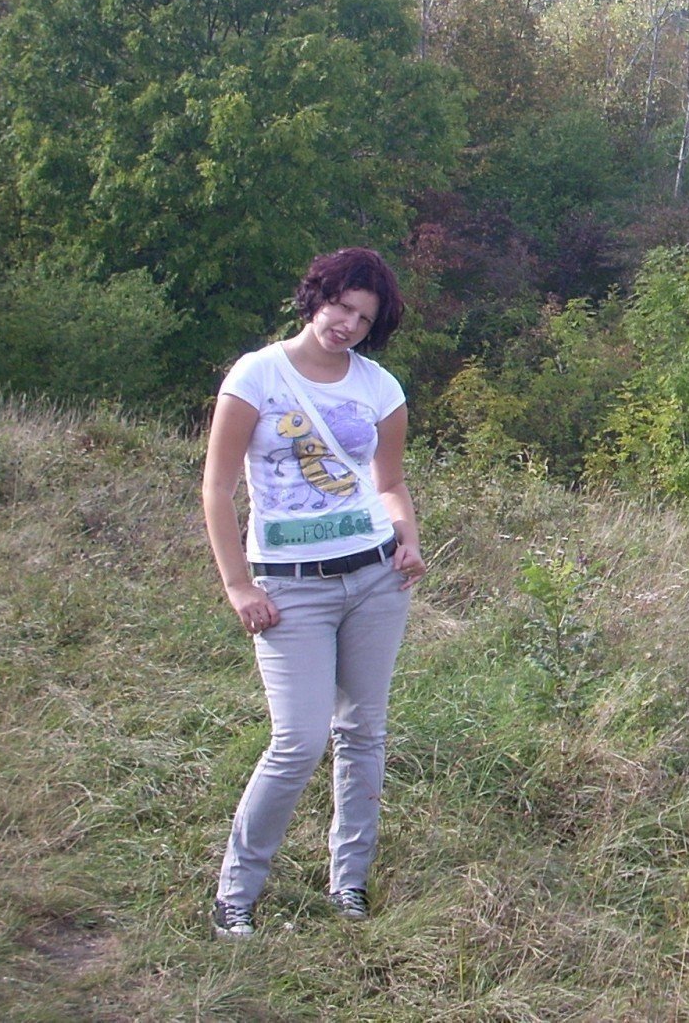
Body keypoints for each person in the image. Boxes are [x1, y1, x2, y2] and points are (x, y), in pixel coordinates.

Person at [201, 247, 426, 939]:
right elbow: (217, 488)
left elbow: (387, 483)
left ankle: (348, 883)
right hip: (288, 588)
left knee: (363, 732)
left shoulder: (380, 388)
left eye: (365, 317)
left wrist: (408, 539)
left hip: (374, 578)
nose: (348, 324)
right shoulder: (256, 375)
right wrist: (238, 585)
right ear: (316, 296)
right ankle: (237, 892)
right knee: (297, 741)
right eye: (341, 306)